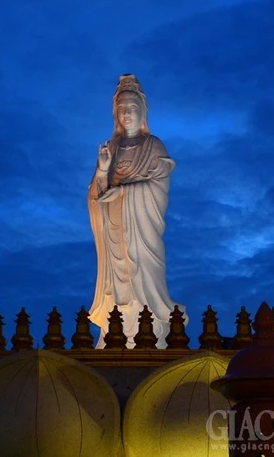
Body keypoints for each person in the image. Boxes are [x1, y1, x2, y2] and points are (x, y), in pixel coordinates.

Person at [88, 74, 185, 348]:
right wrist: (104, 168)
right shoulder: (113, 147)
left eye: (131, 108)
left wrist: (125, 191)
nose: (126, 114)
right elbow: (95, 194)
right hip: (115, 228)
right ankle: (114, 330)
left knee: (142, 274)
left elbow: (158, 185)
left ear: (142, 112)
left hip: (142, 227)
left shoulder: (153, 145)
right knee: (118, 284)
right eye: (121, 109)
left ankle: (149, 327)